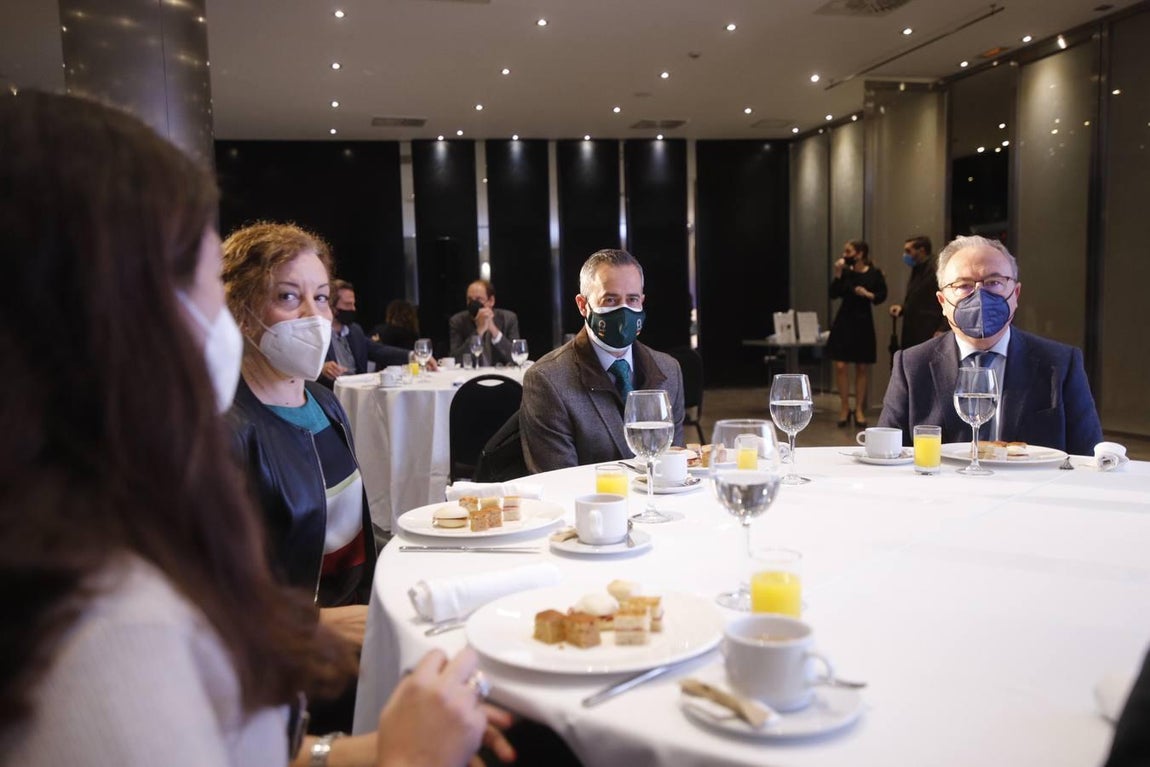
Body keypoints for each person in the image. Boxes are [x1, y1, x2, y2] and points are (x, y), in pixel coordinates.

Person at [0, 91, 510, 767]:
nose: (209, 304)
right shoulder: (104, 627)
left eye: (320, 296)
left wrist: (376, 745)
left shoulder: (118, 523)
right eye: (192, 271)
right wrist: (405, 757)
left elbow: (252, 746)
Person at [878, 235, 1104, 454]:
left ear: (1015, 294)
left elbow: (1090, 461)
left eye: (993, 283)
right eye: (963, 285)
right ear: (942, 302)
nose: (980, 296)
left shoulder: (1060, 364)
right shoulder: (912, 365)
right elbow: (887, 455)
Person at [521, 248, 685, 473]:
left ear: (642, 302)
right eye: (610, 299)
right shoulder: (548, 380)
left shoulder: (669, 370)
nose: (623, 311)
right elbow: (557, 482)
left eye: (632, 299)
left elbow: (673, 469)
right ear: (582, 305)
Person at [827, 239, 888, 427]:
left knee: (862, 367)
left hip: (863, 322)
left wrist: (868, 294)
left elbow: (881, 295)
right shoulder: (845, 272)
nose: (845, 255)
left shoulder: (874, 273)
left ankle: (859, 408)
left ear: (860, 253)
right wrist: (838, 273)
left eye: (848, 251)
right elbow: (833, 293)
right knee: (840, 365)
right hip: (844, 321)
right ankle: (844, 406)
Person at [320, 279, 413, 387]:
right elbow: (305, 365)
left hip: (358, 389)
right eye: (348, 304)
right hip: (331, 390)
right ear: (332, 306)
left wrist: (412, 356)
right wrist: (322, 368)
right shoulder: (318, 333)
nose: (353, 309)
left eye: (353, 304)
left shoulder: (355, 331)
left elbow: (379, 350)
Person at [889, 234, 947, 350]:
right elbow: (918, 296)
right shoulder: (917, 268)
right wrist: (902, 308)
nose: (905, 255)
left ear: (921, 251)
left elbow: (946, 299)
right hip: (914, 329)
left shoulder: (936, 269)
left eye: (908, 251)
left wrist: (943, 328)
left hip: (929, 329)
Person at [449, 279, 520, 366]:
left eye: (479, 299)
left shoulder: (508, 318)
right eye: (469, 299)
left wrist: (494, 331)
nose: (473, 304)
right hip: (471, 373)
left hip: (502, 373)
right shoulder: (458, 321)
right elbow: (456, 359)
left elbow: (517, 358)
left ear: (491, 301)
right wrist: (479, 332)